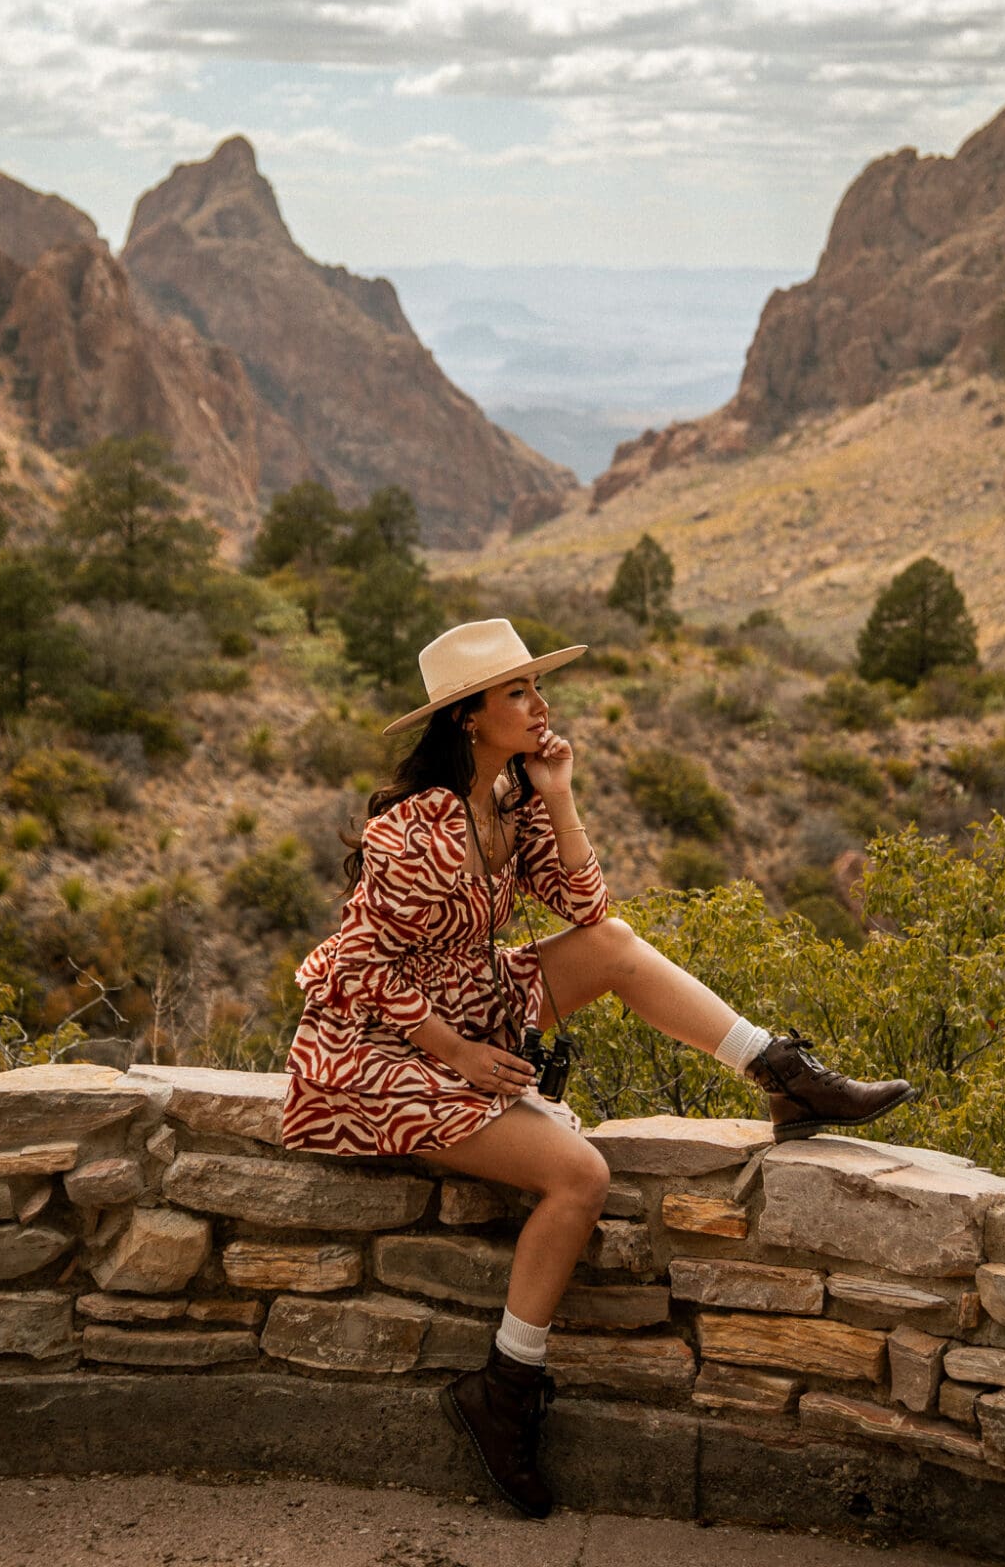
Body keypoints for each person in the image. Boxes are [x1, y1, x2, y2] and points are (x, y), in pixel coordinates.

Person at [278, 620, 913, 1520]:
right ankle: (503, 1392)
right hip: (373, 1046)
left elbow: (586, 906)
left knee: (610, 945)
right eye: (518, 695)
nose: (540, 706)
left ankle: (780, 1072)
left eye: (536, 689)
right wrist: (459, 1055)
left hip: (464, 997)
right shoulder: (411, 832)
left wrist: (560, 793)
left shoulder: (507, 799)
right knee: (578, 1175)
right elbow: (356, 968)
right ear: (467, 717)